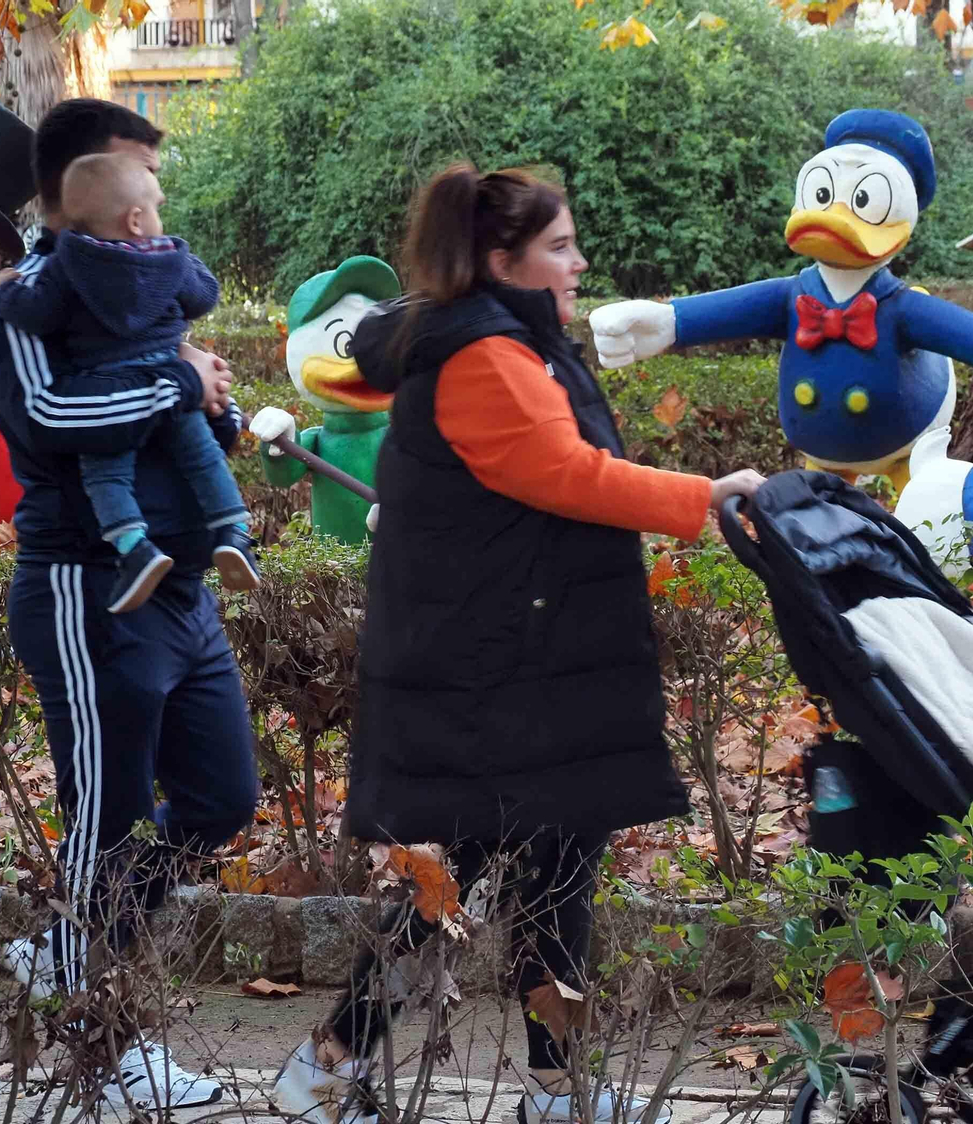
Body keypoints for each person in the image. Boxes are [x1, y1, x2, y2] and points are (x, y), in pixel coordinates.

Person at [268, 164, 765, 1124]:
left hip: (512, 658)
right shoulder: (482, 355)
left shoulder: (498, 339)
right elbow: (568, 473)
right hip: (500, 673)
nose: (578, 264)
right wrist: (705, 496)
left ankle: (364, 1066)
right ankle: (371, 1065)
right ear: (502, 259)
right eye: (559, 247)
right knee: (503, 872)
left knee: (523, 869)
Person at [0, 99, 259, 1113]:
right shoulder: (24, 303)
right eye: (139, 171)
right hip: (86, 591)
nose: (154, 198)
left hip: (181, 591)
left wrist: (214, 405)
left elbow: (184, 415)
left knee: (221, 799)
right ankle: (105, 1049)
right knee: (109, 826)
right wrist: (179, 385)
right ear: (79, 185)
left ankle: (68, 943)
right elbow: (50, 418)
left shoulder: (142, 287)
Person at [0, 151, 259, 613]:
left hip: (112, 385)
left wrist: (5, 289)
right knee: (202, 457)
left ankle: (135, 549)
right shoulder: (169, 259)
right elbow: (203, 295)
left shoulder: (68, 265)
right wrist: (181, 260)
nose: (160, 218)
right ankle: (234, 533)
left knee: (106, 477)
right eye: (157, 207)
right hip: (174, 380)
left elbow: (36, 310)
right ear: (135, 219)